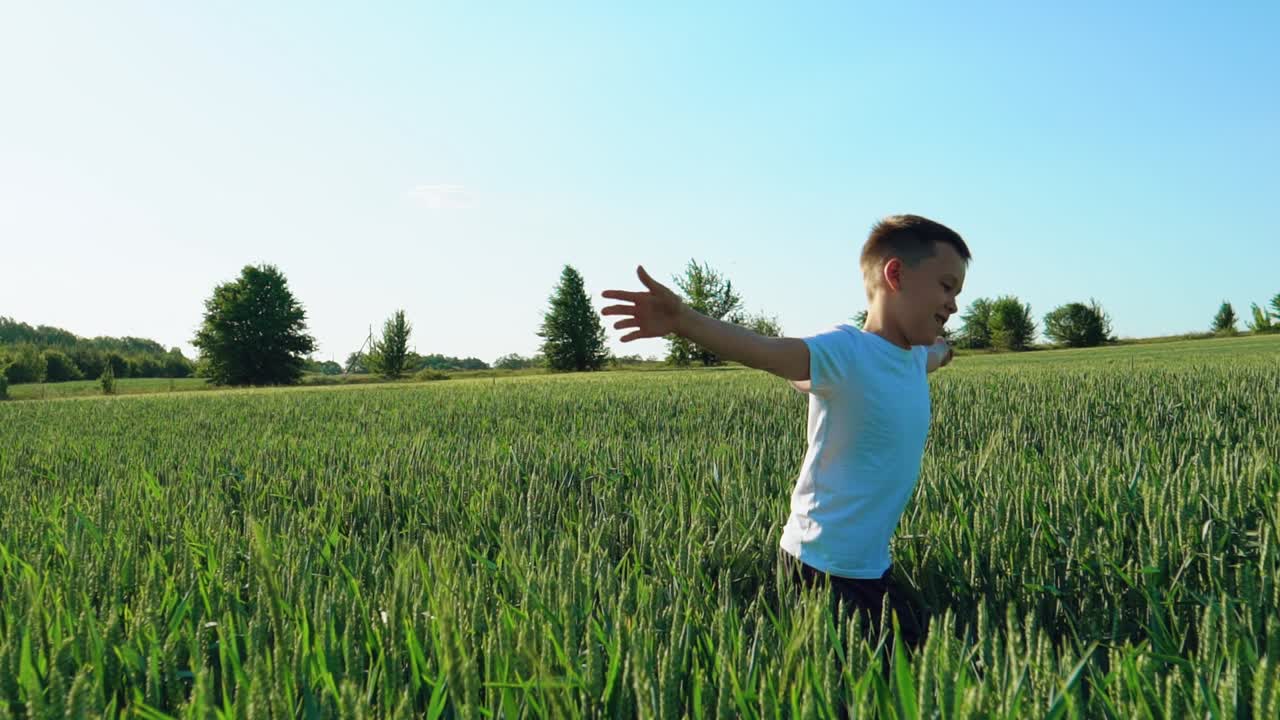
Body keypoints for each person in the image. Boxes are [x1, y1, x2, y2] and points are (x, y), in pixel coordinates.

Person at [600, 214, 970, 646]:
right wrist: (685, 320)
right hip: (821, 567)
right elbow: (767, 351)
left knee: (934, 650)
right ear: (896, 274)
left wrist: (943, 352)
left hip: (869, 564)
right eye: (947, 287)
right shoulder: (846, 352)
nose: (954, 305)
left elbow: (930, 359)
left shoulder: (912, 357)